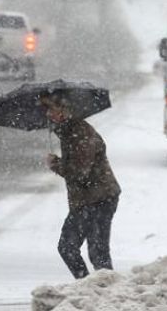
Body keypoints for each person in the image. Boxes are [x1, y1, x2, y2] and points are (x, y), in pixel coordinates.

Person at [41, 92, 121, 279]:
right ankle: (92, 291)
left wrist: (56, 164)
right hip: (88, 199)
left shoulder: (81, 133)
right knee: (83, 250)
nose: (47, 114)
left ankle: (97, 292)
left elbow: (80, 172)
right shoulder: (69, 132)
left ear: (64, 109)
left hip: (98, 198)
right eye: (45, 109)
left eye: (50, 108)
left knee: (90, 251)